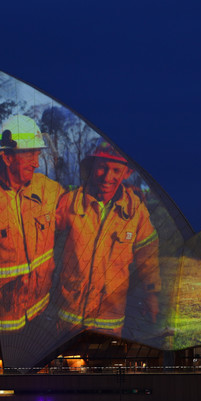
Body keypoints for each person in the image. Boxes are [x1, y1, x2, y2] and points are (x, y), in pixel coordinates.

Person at [0, 114, 64, 335]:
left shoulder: (49, 190)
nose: (37, 163)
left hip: (39, 315)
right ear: (8, 157)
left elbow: (78, 210)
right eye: (30, 154)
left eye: (38, 154)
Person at [55, 141, 160, 336]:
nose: (107, 176)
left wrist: (151, 293)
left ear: (126, 173)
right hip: (70, 314)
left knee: (106, 362)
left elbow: (148, 255)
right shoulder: (71, 201)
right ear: (92, 166)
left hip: (109, 316)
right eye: (102, 167)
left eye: (115, 170)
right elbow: (43, 234)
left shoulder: (136, 211)